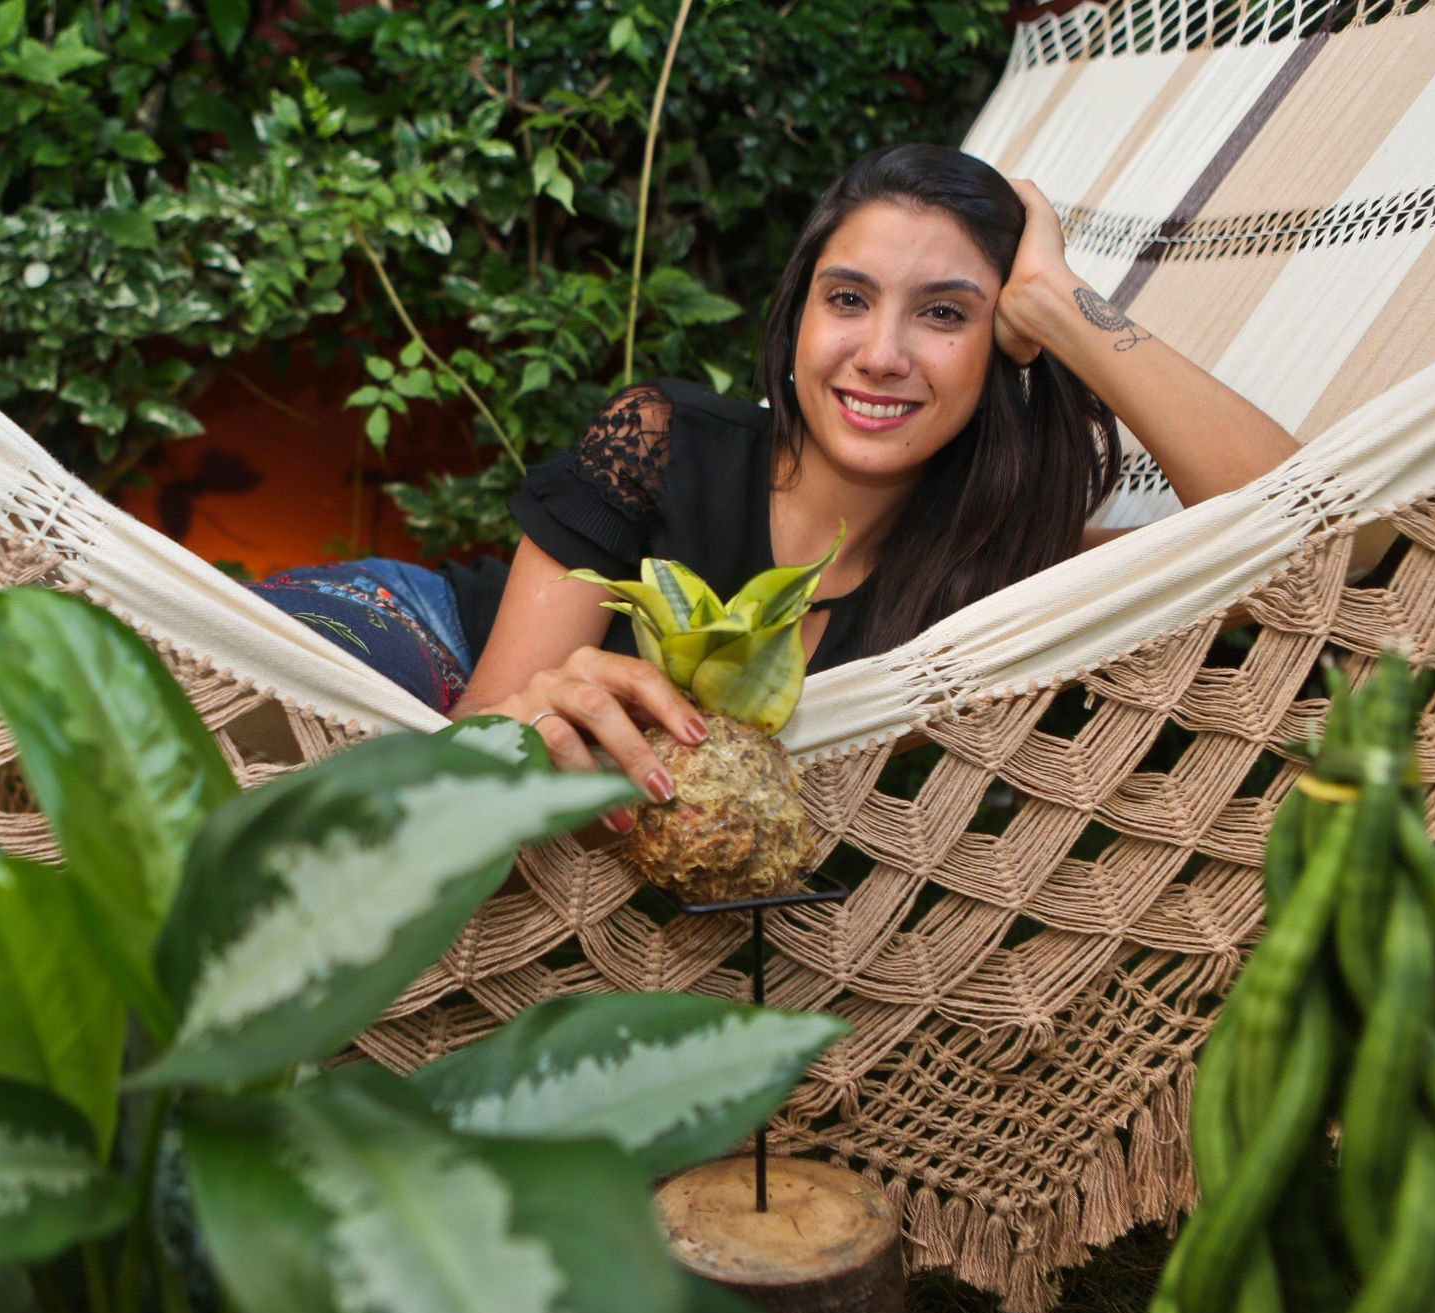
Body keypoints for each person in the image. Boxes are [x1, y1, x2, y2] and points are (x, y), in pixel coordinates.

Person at [245, 145, 1298, 826]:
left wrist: (1061, 303)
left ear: (1000, 347)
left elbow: (1317, 533)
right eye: (847, 299)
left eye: (943, 313)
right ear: (797, 320)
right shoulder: (661, 441)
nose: (880, 353)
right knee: (180, 708)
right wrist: (525, 721)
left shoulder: (1010, 574)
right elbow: (472, 747)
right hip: (422, 662)